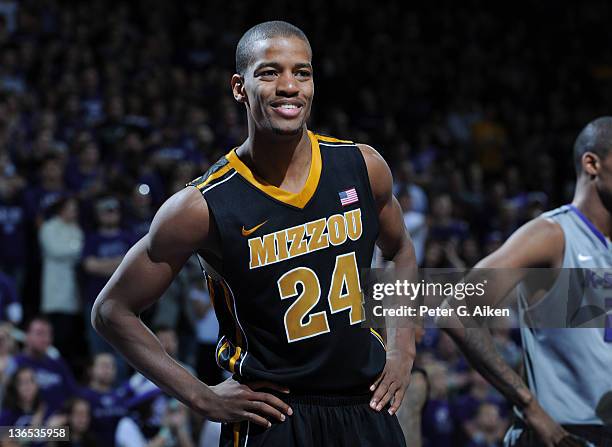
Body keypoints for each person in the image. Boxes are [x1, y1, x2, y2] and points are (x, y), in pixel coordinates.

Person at [92, 20, 416, 447]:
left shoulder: (363, 166)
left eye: (302, 72)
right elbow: (112, 310)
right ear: (239, 87)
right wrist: (200, 396)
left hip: (365, 407)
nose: (289, 86)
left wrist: (402, 347)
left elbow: (401, 252)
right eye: (269, 72)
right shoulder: (200, 206)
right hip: (274, 418)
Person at [439, 117, 612, 446]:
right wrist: (531, 408)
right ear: (592, 163)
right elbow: (456, 310)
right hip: (563, 434)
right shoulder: (552, 234)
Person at [6, 317, 76, 415]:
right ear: (27, 335)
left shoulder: (58, 363)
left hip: (59, 424)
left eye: (49, 334)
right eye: (40, 333)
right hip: (25, 425)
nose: (45, 339)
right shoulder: (14, 363)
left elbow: (73, 395)